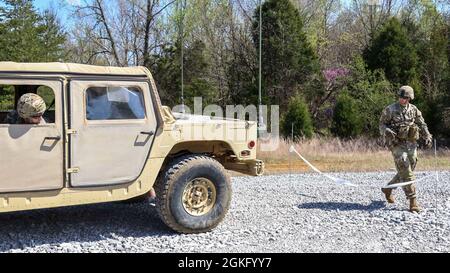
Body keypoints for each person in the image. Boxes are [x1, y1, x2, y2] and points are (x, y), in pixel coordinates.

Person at [379, 86, 433, 213]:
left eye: (405, 98)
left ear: (409, 98)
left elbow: (422, 123)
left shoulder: (414, 110)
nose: (402, 99)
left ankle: (388, 188)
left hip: (411, 143)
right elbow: (381, 124)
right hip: (396, 144)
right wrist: (386, 131)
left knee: (409, 167)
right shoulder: (390, 109)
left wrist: (428, 135)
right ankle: (413, 201)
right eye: (401, 97)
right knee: (405, 168)